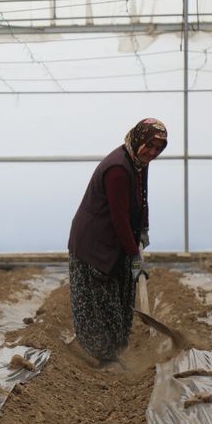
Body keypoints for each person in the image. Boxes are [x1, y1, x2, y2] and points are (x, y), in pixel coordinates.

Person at [68, 117, 168, 368]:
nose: (153, 152)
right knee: (101, 303)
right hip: (95, 244)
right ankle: (105, 357)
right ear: (138, 139)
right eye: (150, 145)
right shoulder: (118, 169)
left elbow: (142, 198)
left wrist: (144, 227)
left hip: (117, 240)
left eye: (159, 148)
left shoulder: (138, 162)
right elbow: (119, 217)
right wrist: (135, 254)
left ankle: (115, 352)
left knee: (122, 297)